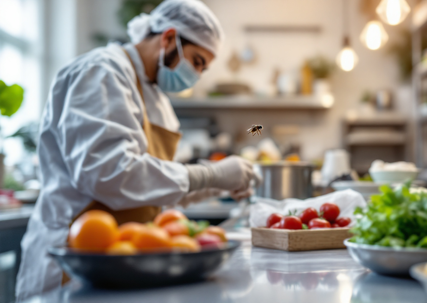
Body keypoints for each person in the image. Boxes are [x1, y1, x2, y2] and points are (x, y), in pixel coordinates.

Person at [16, 0, 258, 300]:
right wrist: (210, 174)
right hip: (74, 260)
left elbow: (153, 186)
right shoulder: (101, 71)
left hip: (128, 258)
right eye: (196, 61)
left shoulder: (157, 100)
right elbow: (109, 174)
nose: (197, 75)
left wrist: (219, 183)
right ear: (168, 37)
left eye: (203, 68)